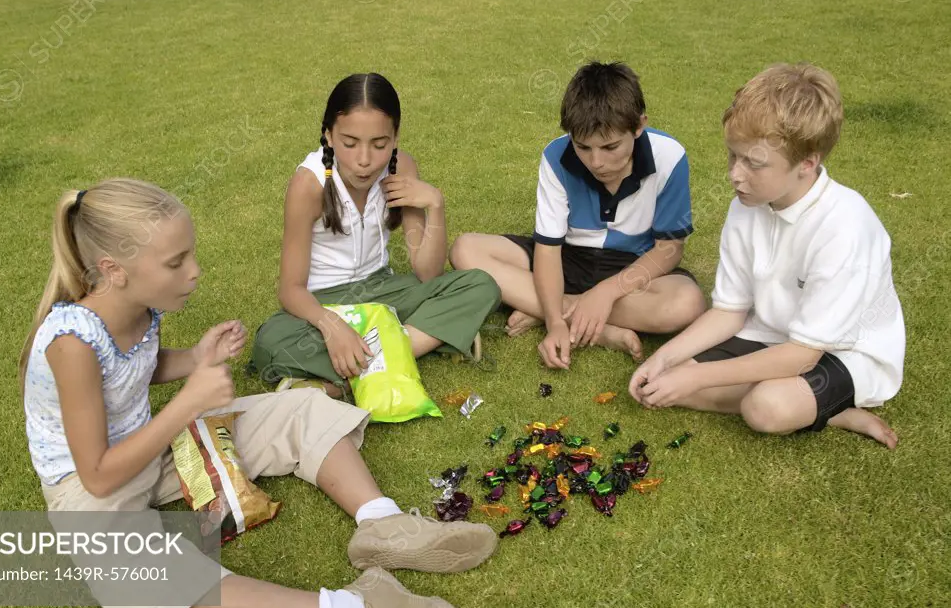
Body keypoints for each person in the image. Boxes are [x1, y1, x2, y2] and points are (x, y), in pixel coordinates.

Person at [20, 178, 498, 608]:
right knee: (141, 576)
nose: (194, 272)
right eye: (175, 262)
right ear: (113, 271)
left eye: (190, 255)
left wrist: (193, 359)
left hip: (154, 448)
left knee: (300, 409)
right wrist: (187, 404)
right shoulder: (70, 345)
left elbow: (135, 367)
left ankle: (383, 525)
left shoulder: (138, 307)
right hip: (88, 489)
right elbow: (98, 475)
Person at [629, 64, 904, 448]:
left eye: (754, 164)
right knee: (659, 385)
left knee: (765, 408)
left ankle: (831, 408)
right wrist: (664, 358)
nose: (735, 176)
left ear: (808, 161)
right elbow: (729, 311)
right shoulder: (746, 205)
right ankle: (809, 404)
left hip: (842, 350)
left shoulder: (845, 227)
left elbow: (803, 355)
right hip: (770, 335)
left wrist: (697, 377)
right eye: (733, 157)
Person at [251, 73, 501, 397]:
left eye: (379, 144)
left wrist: (435, 205)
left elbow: (428, 273)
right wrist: (332, 327)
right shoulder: (308, 184)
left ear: (395, 137)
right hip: (325, 302)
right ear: (328, 136)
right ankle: (414, 345)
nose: (365, 160)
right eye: (350, 143)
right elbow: (290, 290)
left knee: (480, 285)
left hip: (382, 291)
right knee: (270, 342)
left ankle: (351, 372)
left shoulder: (402, 169)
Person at [449, 61, 704, 369]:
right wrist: (555, 323)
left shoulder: (670, 156)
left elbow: (669, 249)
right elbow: (548, 249)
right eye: (583, 147)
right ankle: (592, 327)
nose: (596, 161)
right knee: (466, 249)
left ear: (639, 126)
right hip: (566, 259)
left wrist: (606, 293)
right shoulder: (555, 156)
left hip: (632, 269)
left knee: (686, 303)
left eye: (610, 147)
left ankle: (544, 304)